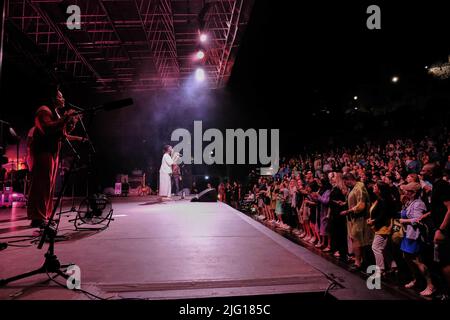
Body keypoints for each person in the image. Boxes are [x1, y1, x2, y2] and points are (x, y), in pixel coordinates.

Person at [27, 88, 84, 228]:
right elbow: (47, 129)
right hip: (43, 152)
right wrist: (65, 118)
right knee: (42, 185)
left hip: (52, 152)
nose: (63, 99)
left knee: (49, 186)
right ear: (53, 98)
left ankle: (44, 215)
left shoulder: (55, 113)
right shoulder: (44, 110)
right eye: (60, 96)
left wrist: (72, 122)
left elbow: (60, 134)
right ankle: (37, 217)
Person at [399, 182, 435, 296]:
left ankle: (430, 285)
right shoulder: (410, 201)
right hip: (407, 234)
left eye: (408, 191)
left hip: (414, 235)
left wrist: (404, 221)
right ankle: (416, 279)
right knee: (407, 257)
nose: (405, 192)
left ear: (414, 192)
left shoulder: (418, 203)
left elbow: (418, 219)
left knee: (417, 260)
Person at [420, 163, 450, 289]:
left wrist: (441, 230)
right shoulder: (437, 185)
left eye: (423, 170)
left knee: (445, 261)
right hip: (438, 228)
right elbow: (438, 207)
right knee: (439, 261)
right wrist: (426, 215)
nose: (421, 173)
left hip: (444, 230)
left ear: (431, 173)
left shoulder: (442, 186)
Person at [341, 173, 373, 270]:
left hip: (361, 218)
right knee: (356, 239)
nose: (345, 184)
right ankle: (361, 261)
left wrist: (348, 211)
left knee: (356, 239)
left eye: (345, 182)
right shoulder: (354, 188)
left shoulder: (359, 187)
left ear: (349, 180)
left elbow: (361, 205)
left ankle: (358, 262)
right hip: (354, 219)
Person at [367, 181, 397, 277]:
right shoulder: (379, 199)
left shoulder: (384, 200)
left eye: (375, 186)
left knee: (375, 247)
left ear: (380, 190)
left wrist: (373, 221)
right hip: (380, 226)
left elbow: (383, 216)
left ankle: (380, 270)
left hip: (383, 227)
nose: (373, 187)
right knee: (384, 248)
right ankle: (393, 267)